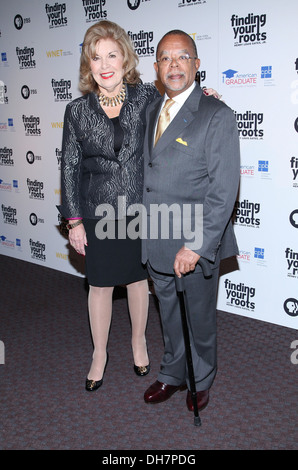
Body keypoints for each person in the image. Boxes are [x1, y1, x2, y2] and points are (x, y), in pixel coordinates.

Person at [58, 20, 161, 391]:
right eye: (96, 57)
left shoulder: (148, 97)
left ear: (125, 58)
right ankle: (99, 353)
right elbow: (69, 165)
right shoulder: (77, 110)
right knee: (99, 285)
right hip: (96, 209)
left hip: (137, 206)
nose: (104, 64)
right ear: (88, 63)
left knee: (137, 280)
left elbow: (179, 111)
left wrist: (204, 98)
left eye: (111, 55)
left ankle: (139, 341)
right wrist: (73, 221)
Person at [142, 30, 240, 412]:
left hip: (193, 244)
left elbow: (223, 191)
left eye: (182, 57)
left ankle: (200, 378)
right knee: (167, 312)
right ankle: (172, 373)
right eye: (165, 58)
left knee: (198, 316)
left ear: (197, 64)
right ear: (157, 68)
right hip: (156, 237)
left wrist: (197, 246)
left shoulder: (217, 115)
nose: (174, 65)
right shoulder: (152, 110)